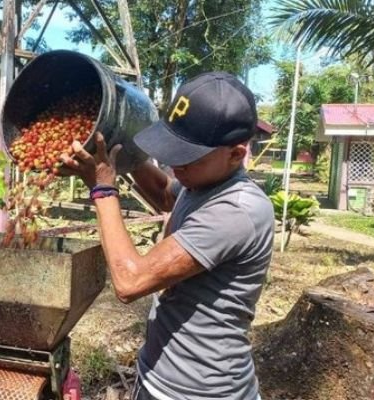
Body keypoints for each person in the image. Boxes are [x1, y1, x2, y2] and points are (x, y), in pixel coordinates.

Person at [60, 72, 274, 400]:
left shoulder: (236, 210)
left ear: (236, 154)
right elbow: (163, 193)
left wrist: (103, 187)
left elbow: (130, 281)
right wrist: (116, 144)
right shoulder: (202, 183)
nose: (175, 165)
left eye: (187, 156)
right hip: (160, 377)